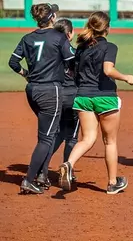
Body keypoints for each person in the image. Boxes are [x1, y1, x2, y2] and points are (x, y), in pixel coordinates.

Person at [58, 11, 133, 195]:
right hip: (105, 97)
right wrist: (125, 77)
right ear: (107, 28)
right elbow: (108, 70)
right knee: (110, 142)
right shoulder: (109, 47)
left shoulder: (81, 48)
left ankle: (68, 164)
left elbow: (73, 73)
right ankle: (112, 183)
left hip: (83, 96)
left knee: (87, 139)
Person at [8, 3, 75, 194]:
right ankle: (30, 179)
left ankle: (42, 176)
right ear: (52, 17)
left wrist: (26, 74)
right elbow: (71, 62)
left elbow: (13, 62)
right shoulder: (59, 37)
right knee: (46, 138)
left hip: (32, 90)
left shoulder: (27, 38)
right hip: (50, 91)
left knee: (48, 133)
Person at [36, 19, 79, 189]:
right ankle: (68, 170)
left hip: (55, 96)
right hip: (73, 97)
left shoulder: (50, 53)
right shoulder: (74, 53)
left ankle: (42, 170)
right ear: (69, 34)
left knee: (54, 135)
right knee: (72, 137)